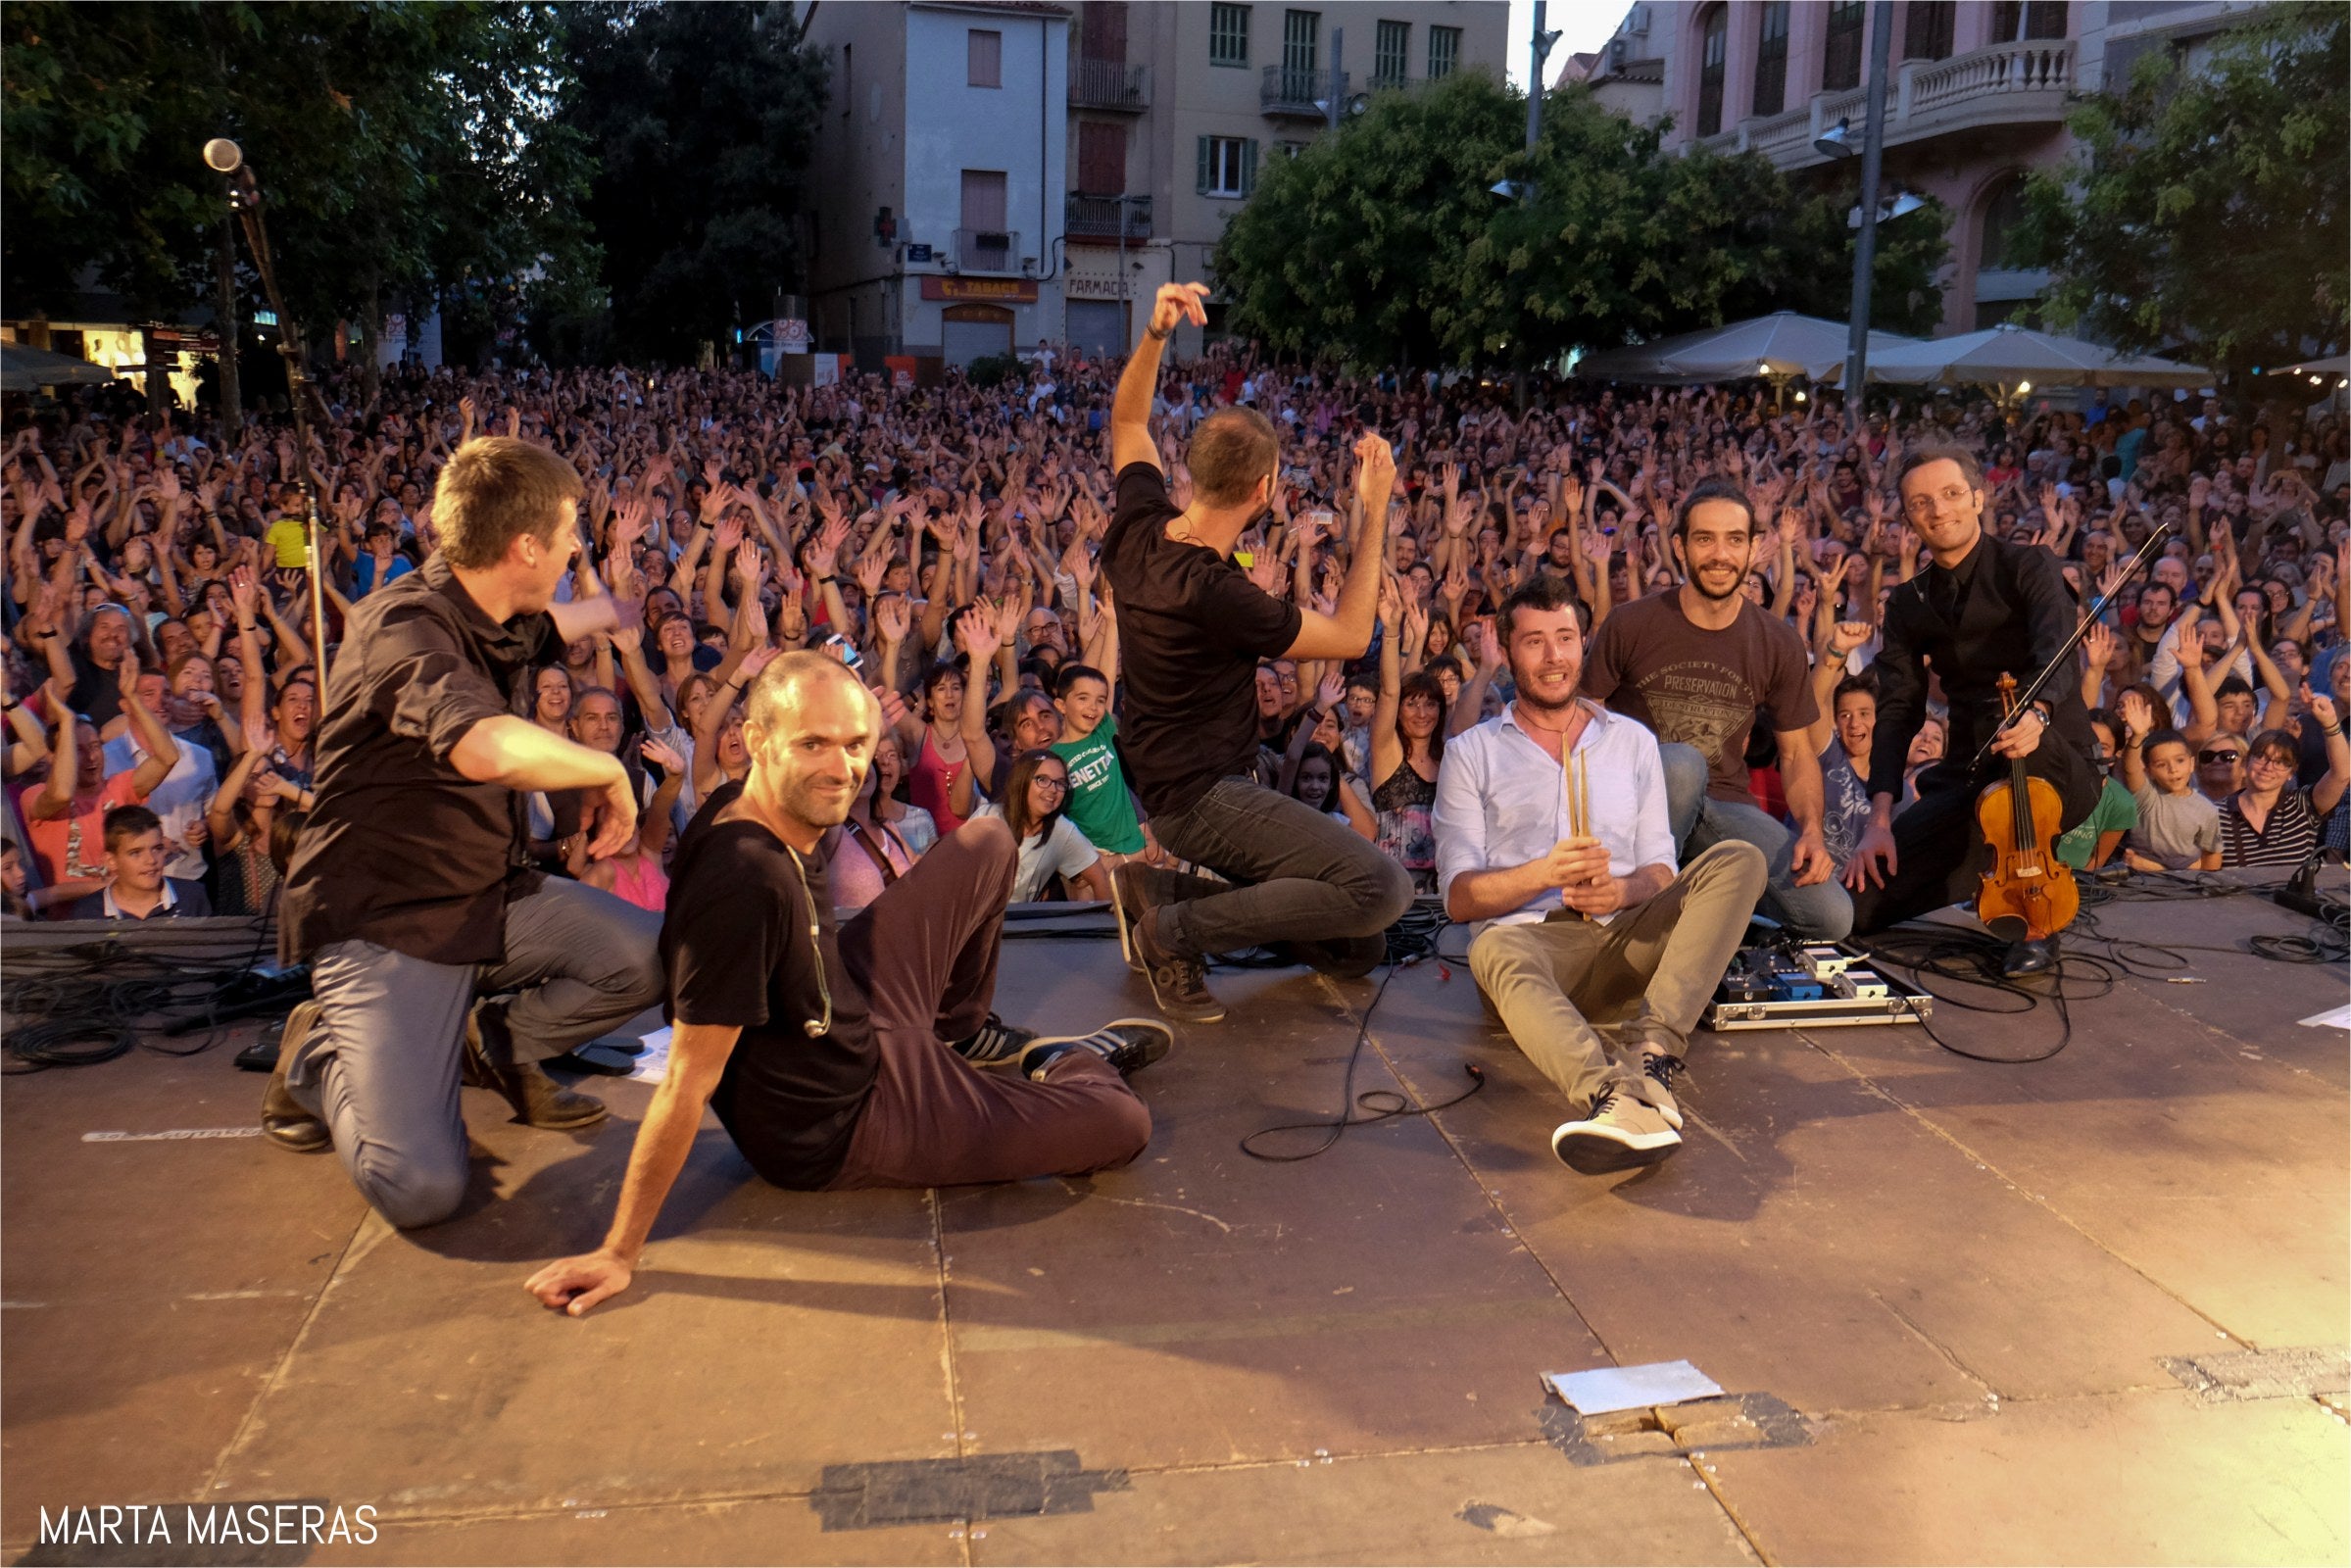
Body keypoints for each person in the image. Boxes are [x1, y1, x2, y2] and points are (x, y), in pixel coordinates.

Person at [522, 654, 1171, 1318]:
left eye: (856, 744)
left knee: (990, 843)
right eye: (812, 744)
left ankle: (962, 1032)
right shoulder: (743, 882)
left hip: (850, 999)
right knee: (1121, 1122)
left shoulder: (743, 800)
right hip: (849, 1118)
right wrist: (618, 1251)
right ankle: (1061, 1063)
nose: (841, 769)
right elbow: (688, 1079)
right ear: (756, 740)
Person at [264, 437, 667, 1230]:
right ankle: (319, 1056)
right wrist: (607, 771)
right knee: (419, 1190)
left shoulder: (500, 609)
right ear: (524, 547)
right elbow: (481, 745)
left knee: (652, 954)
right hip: (389, 923)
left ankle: (483, 1043)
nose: (573, 548)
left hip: (488, 899)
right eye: (566, 535)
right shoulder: (402, 627)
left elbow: (559, 617)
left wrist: (618, 609)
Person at [1100, 281, 1412, 1023]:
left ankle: (1168, 893)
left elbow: (1127, 417)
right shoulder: (1216, 591)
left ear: (1191, 473)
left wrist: (1154, 332)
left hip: (1180, 783)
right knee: (1382, 892)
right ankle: (1171, 932)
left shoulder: (1138, 524)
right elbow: (1349, 637)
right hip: (1203, 798)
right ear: (1266, 489)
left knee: (1356, 945)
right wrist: (1374, 512)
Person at [1434, 575, 1766, 1175]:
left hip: (1620, 939)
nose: (1553, 656)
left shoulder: (1632, 742)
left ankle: (1652, 1056)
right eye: (1534, 642)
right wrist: (1543, 872)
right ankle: (1615, 1098)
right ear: (1508, 653)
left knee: (1740, 859)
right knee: (1494, 948)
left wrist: (1624, 889)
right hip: (1533, 947)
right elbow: (1459, 899)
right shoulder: (1471, 753)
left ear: (1583, 644)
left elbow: (1661, 872)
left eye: (1565, 638)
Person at [1844, 448, 2103, 972]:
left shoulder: (2029, 565)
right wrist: (1879, 819)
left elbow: (2057, 650)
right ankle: (1990, 869)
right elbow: (1897, 710)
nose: (1938, 511)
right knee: (1859, 908)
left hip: (2053, 760)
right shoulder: (1909, 602)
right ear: (1909, 518)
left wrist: (2038, 715)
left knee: (2015, 735)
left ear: (1978, 498)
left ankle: (2038, 919)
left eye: (1951, 494)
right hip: (1968, 775)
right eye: (1921, 502)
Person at [1584, 476, 1850, 940]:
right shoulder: (1630, 623)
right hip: (1633, 808)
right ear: (1681, 547)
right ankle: (1636, 914)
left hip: (1723, 809)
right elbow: (1581, 720)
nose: (1720, 555)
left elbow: (1796, 754)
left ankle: (1696, 899)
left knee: (1832, 917)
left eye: (1734, 540)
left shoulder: (1778, 640)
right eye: (1705, 539)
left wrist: (1811, 830)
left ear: (1753, 550)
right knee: (1680, 763)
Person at [2220, 699, 2346, 868]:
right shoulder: (2216, 814)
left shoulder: (2303, 806)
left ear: (2291, 773)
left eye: (2280, 762)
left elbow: (2342, 774)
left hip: (2291, 894)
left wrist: (2330, 724)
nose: (2268, 767)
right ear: (2246, 762)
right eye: (2261, 757)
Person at [2113, 691, 2222, 872]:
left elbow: (2212, 858)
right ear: (2148, 771)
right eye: (2161, 764)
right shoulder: (2147, 796)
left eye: (2180, 761)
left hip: (2184, 885)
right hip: (2139, 881)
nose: (2173, 769)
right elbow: (2130, 768)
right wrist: (2138, 736)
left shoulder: (2207, 809)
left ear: (2192, 763)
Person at [67, 805, 214, 919]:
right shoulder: (89, 911)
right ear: (111, 861)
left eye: (157, 848)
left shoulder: (192, 896)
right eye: (135, 853)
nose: (150, 860)